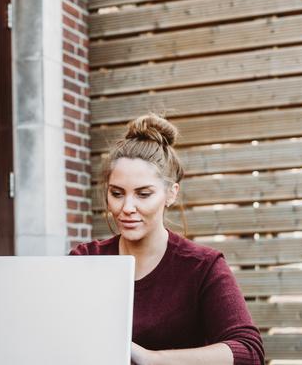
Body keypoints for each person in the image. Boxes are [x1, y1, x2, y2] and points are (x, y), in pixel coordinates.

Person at [70, 114, 264, 365]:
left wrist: (153, 359)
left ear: (171, 194)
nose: (127, 207)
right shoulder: (85, 260)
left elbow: (248, 352)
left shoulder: (203, 267)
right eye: (117, 193)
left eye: (143, 194)